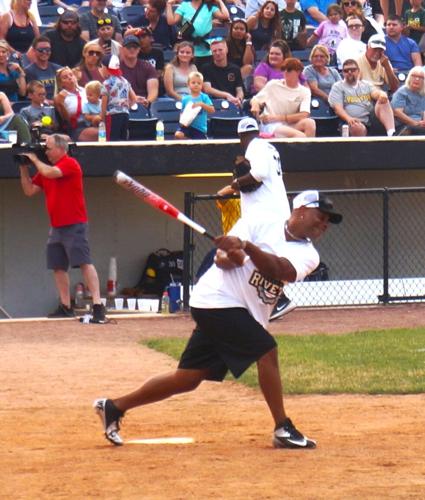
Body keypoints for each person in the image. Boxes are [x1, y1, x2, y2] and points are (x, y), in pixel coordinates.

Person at [93, 188, 342, 448]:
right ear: (300, 211)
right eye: (321, 215)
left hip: (240, 311)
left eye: (328, 220)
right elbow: (221, 260)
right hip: (216, 300)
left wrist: (246, 248)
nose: (324, 224)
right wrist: (231, 255)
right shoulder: (259, 222)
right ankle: (283, 427)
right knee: (266, 350)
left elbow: (281, 270)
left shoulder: (309, 255)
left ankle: (114, 407)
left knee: (187, 379)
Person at [18, 133, 106, 323]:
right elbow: (29, 191)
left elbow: (51, 173)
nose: (45, 152)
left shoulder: (69, 163)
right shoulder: (45, 169)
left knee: (84, 262)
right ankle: (65, 306)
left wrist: (34, 158)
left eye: (48, 148)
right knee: (58, 266)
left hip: (75, 223)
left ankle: (98, 305)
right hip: (56, 226)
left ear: (60, 148)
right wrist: (24, 168)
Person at [251, 57, 316, 138]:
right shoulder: (273, 85)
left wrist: (277, 118)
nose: (285, 72)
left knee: (310, 123)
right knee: (300, 135)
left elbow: (304, 115)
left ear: (298, 72)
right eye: (283, 69)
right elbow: (255, 99)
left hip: (288, 123)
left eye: (288, 70)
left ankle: (309, 148)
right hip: (271, 125)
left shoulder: (304, 91)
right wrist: (255, 105)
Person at [328, 58, 395, 136]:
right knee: (357, 127)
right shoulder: (338, 86)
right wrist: (349, 118)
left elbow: (375, 93)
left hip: (371, 119)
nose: (349, 72)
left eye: (353, 70)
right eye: (346, 70)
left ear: (358, 71)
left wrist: (381, 94)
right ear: (343, 73)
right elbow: (337, 109)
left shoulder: (366, 84)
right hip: (350, 122)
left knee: (383, 100)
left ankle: (391, 133)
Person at [165, 0, 229, 68]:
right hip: (190, 48)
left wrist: (219, 1)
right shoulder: (184, 6)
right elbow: (171, 21)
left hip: (206, 49)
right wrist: (168, 5)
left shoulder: (209, 6)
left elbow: (225, 16)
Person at [54, 66, 98, 141]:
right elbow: (65, 120)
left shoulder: (85, 91)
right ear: (61, 84)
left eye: (71, 75)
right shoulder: (60, 97)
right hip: (76, 126)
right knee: (98, 133)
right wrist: (60, 104)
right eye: (65, 77)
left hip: (92, 121)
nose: (70, 78)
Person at [101, 54, 137, 140]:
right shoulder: (124, 80)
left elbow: (104, 104)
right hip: (125, 115)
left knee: (111, 140)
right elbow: (134, 98)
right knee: (122, 140)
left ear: (105, 68)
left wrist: (102, 120)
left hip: (112, 116)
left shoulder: (107, 83)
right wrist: (125, 107)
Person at [201, 39, 244, 107]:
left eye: (220, 50)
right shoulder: (206, 68)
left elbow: (239, 90)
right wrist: (227, 95)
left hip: (233, 103)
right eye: (214, 51)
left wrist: (238, 99)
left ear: (226, 50)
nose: (217, 53)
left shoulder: (235, 69)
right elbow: (207, 89)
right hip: (213, 103)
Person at [120, 34, 158, 106]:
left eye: (135, 47)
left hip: (145, 103)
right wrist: (133, 99)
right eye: (128, 47)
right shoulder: (116, 68)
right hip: (123, 103)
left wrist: (147, 102)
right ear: (122, 49)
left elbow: (153, 91)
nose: (132, 49)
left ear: (139, 49)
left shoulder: (148, 67)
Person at [175, 70, 214, 139]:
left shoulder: (204, 97)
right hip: (187, 126)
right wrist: (181, 121)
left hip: (200, 128)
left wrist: (202, 104)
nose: (196, 84)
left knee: (199, 143)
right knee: (178, 135)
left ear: (202, 85)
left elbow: (212, 110)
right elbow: (182, 112)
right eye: (193, 82)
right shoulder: (185, 99)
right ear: (188, 84)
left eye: (199, 83)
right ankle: (188, 145)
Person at [24, 36, 62, 102]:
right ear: (34, 51)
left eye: (48, 49)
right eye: (41, 50)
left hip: (60, 104)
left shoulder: (58, 69)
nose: (44, 52)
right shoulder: (29, 71)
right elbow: (33, 95)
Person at [391, 66, 425, 135]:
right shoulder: (401, 92)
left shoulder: (423, 93)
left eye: (421, 77)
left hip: (420, 125)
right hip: (403, 126)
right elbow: (397, 113)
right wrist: (416, 123)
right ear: (409, 78)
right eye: (414, 76)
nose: (417, 79)